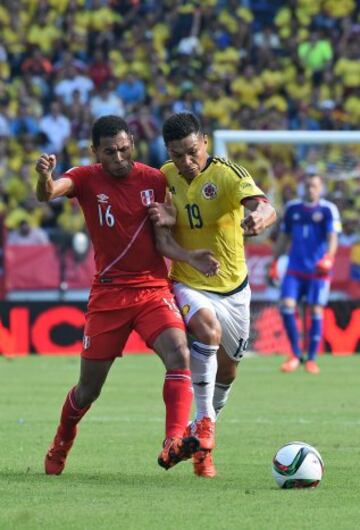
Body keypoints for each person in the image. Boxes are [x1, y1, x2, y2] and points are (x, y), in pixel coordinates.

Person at [35, 115, 219, 476]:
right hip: (108, 295)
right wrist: (44, 177)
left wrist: (178, 233)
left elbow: (168, 229)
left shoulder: (155, 178)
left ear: (132, 144)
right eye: (109, 151)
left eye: (124, 149)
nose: (118, 157)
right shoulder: (85, 178)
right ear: (95, 152)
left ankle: (174, 441)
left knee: (180, 353)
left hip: (152, 289)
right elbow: (48, 194)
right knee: (88, 391)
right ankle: (62, 440)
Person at [149, 112, 277, 478]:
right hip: (188, 279)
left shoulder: (227, 174)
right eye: (178, 155)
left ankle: (201, 437)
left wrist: (259, 220)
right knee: (206, 331)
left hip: (234, 289)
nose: (186, 162)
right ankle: (203, 425)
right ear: (168, 152)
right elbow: (160, 229)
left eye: (192, 152)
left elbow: (265, 206)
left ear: (204, 141)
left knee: (229, 370)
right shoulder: (164, 177)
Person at [268, 174, 341, 375]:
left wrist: (329, 258)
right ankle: (294, 354)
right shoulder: (293, 209)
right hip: (294, 269)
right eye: (308, 186)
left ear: (321, 188)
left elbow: (332, 236)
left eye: (314, 186)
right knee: (287, 307)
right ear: (303, 188)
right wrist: (275, 261)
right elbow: (284, 237)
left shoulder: (327, 209)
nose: (311, 189)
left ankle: (311, 358)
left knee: (315, 311)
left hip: (318, 270)